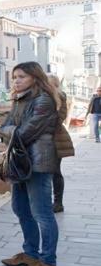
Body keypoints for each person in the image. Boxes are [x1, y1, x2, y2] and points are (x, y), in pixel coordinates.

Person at [0, 62, 60, 266]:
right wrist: (11, 130)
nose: (16, 80)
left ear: (34, 77)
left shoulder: (43, 100)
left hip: (38, 163)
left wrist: (10, 130)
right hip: (21, 162)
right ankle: (31, 253)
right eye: (14, 76)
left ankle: (48, 261)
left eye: (21, 76)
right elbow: (3, 128)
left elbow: (23, 133)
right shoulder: (19, 99)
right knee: (21, 209)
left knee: (42, 213)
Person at [47, 75, 75, 212]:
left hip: (56, 140)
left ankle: (58, 203)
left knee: (55, 172)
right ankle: (53, 202)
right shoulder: (44, 97)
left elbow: (58, 119)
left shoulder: (60, 98)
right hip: (49, 140)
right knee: (52, 172)